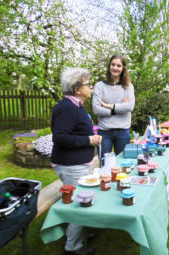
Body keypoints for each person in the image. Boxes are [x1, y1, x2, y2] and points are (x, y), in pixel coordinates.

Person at [51, 67, 101, 255]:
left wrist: (92, 134)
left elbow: (74, 130)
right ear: (77, 88)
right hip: (70, 164)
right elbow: (60, 138)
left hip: (76, 162)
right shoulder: (67, 108)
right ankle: (72, 247)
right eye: (89, 84)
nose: (92, 87)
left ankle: (76, 235)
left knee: (80, 200)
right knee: (80, 203)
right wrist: (88, 140)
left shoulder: (75, 106)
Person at [92, 55, 135, 159]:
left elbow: (129, 107)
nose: (115, 68)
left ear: (123, 68)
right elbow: (96, 109)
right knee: (104, 165)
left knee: (123, 165)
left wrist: (108, 106)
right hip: (104, 132)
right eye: (113, 64)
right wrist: (117, 110)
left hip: (123, 131)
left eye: (118, 65)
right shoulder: (99, 86)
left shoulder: (128, 86)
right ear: (109, 66)